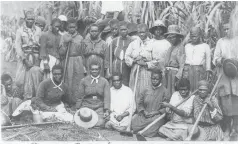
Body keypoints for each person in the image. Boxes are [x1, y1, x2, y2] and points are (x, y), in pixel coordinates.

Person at [213, 23, 238, 139]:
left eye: (229, 28)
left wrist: (235, 62)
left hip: (236, 77)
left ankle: (235, 129)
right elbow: (215, 59)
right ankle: (227, 128)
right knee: (226, 103)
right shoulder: (220, 42)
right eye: (225, 29)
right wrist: (222, 60)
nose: (227, 31)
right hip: (223, 76)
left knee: (236, 102)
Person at [131, 69, 169, 137]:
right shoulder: (146, 89)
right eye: (153, 78)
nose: (154, 80)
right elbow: (140, 103)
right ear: (150, 78)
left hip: (157, 116)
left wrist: (156, 112)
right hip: (145, 115)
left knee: (154, 124)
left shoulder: (165, 91)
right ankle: (141, 130)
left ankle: (144, 131)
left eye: (157, 79)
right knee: (133, 121)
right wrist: (143, 111)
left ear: (161, 79)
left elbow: (166, 108)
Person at [15, 9, 43, 100]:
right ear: (25, 19)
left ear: (34, 19)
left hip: (36, 56)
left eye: (32, 19)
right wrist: (24, 59)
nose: (30, 21)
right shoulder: (20, 31)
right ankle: (25, 97)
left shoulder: (38, 30)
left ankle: (36, 97)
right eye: (28, 19)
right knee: (24, 78)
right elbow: (18, 46)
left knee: (35, 74)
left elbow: (41, 44)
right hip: (25, 56)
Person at [125, 24, 153, 106]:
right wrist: (133, 61)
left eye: (143, 32)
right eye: (139, 32)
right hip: (135, 70)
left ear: (147, 32)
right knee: (135, 89)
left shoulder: (152, 43)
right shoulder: (133, 43)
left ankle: (144, 108)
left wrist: (145, 63)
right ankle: (134, 108)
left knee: (145, 89)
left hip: (146, 71)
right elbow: (126, 56)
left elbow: (156, 60)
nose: (141, 34)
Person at [75, 61, 110, 127]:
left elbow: (107, 97)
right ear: (90, 70)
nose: (94, 71)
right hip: (86, 105)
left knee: (100, 122)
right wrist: (77, 108)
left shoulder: (104, 81)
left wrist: (106, 110)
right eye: (92, 69)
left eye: (96, 69)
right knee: (82, 120)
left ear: (99, 70)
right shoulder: (84, 81)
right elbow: (80, 96)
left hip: (99, 107)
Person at [59, 18, 85, 107]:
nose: (72, 29)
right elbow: (61, 52)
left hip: (78, 60)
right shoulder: (64, 36)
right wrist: (66, 43)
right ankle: (68, 100)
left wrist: (83, 64)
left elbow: (82, 51)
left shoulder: (80, 37)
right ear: (67, 27)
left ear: (76, 27)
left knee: (77, 80)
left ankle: (77, 101)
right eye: (70, 27)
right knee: (68, 80)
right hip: (68, 60)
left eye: (73, 27)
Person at [183, 27, 211, 92]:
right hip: (187, 71)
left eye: (195, 36)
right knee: (188, 88)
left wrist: (208, 71)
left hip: (199, 71)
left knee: (198, 89)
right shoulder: (187, 46)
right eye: (192, 36)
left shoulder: (205, 46)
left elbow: (208, 60)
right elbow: (183, 59)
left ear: (200, 36)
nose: (194, 38)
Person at [164, 25, 185, 97]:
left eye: (173, 37)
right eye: (170, 37)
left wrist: (178, 76)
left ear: (178, 37)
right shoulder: (170, 47)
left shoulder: (180, 48)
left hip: (174, 74)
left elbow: (182, 64)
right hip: (168, 73)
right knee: (167, 92)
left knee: (174, 92)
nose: (171, 39)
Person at [148, 20, 171, 86]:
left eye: (160, 29)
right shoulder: (150, 42)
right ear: (153, 31)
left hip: (163, 69)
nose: (158, 31)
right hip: (152, 68)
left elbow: (168, 57)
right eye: (156, 29)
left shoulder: (167, 43)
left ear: (163, 30)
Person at [110, 21, 133, 86]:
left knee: (126, 84)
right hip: (115, 67)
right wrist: (109, 70)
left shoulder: (132, 41)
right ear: (119, 31)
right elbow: (110, 57)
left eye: (125, 29)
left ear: (128, 30)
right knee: (116, 84)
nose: (123, 31)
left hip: (127, 68)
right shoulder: (114, 41)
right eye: (121, 30)